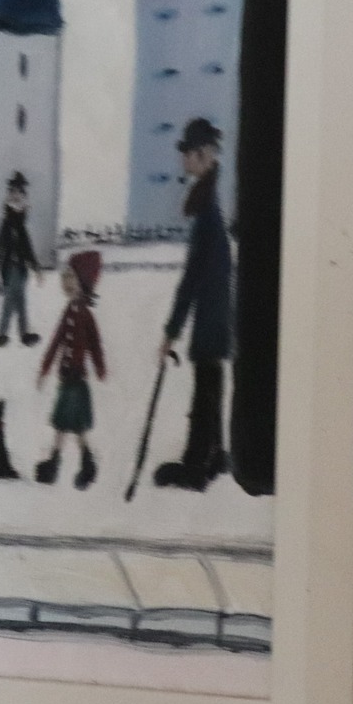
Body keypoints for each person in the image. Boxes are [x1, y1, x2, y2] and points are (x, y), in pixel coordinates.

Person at [154, 118, 233, 492]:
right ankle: (214, 455)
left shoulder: (207, 215)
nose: (183, 160)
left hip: (211, 315)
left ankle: (197, 465)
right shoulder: (209, 207)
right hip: (217, 314)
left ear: (202, 156)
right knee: (211, 382)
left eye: (187, 153)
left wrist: (171, 330)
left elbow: (191, 280)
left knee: (205, 387)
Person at [35, 250, 106, 490]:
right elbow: (57, 341)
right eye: (63, 277)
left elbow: (95, 343)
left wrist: (100, 367)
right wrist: (44, 368)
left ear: (82, 282)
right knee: (65, 425)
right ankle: (60, 463)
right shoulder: (69, 311)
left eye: (70, 278)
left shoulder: (85, 315)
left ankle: (80, 463)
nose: (65, 283)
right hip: (66, 379)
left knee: (72, 426)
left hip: (76, 381)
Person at [0, 171, 42, 346]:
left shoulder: (20, 222)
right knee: (10, 301)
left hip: (20, 269)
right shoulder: (8, 222)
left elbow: (27, 247)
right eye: (13, 191)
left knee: (20, 301)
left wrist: (35, 267)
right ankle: (4, 334)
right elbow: (0, 245)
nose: (16, 195)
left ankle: (22, 333)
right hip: (10, 268)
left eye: (19, 192)